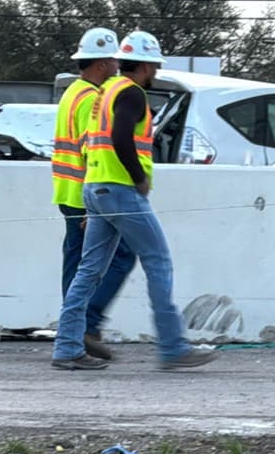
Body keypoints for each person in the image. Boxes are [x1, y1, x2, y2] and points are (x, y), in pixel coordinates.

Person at [51, 31, 220, 371]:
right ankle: (172, 347)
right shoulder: (131, 93)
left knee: (88, 271)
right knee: (158, 260)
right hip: (120, 190)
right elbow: (120, 138)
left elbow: (93, 142)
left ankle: (67, 347)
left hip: (95, 188)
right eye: (154, 66)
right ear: (144, 65)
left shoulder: (105, 92)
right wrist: (139, 178)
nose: (155, 72)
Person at [51, 27, 137, 360]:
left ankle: (73, 331)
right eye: (114, 60)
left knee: (75, 264)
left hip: (67, 191)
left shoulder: (72, 92)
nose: (117, 66)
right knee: (121, 254)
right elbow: (92, 148)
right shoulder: (91, 99)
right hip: (85, 195)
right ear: (102, 63)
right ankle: (85, 326)